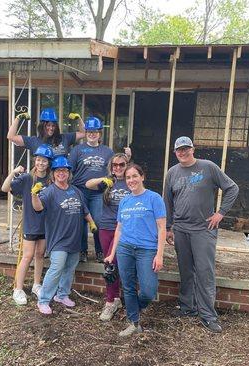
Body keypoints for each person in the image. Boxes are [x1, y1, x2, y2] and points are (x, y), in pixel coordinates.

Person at [164, 136, 239, 334]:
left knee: (205, 272)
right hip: (180, 229)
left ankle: (208, 315)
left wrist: (220, 213)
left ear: (193, 149)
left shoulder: (208, 167)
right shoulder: (172, 173)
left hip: (203, 230)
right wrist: (168, 227)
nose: (183, 153)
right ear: (175, 152)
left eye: (186, 149)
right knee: (186, 270)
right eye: (179, 150)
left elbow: (232, 188)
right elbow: (168, 202)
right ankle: (188, 307)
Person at [104, 164, 166, 337]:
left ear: (142, 177)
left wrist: (159, 254)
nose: (131, 180)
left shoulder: (154, 198)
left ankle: (134, 309)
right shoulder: (125, 201)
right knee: (129, 287)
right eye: (128, 177)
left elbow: (162, 228)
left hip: (147, 250)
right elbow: (119, 229)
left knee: (148, 290)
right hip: (125, 248)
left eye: (134, 176)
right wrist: (112, 253)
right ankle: (134, 323)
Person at [31, 155, 97, 315]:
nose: (62, 173)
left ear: (69, 173)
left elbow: (84, 210)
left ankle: (61, 295)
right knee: (57, 268)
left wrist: (92, 222)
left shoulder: (76, 191)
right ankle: (43, 300)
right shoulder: (49, 192)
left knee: (69, 268)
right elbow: (38, 208)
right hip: (58, 239)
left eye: (65, 170)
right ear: (53, 174)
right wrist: (34, 195)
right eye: (58, 171)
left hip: (74, 239)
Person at [69, 116, 130, 263]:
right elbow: (70, 170)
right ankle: (82, 251)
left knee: (97, 221)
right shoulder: (78, 150)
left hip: (99, 192)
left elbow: (117, 166)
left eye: (95, 131)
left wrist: (127, 157)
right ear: (86, 132)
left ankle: (100, 251)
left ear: (100, 133)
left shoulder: (107, 151)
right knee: (81, 222)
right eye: (89, 131)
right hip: (80, 191)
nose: (92, 134)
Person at [1, 144, 54, 305]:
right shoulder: (27, 178)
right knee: (27, 256)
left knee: (40, 255)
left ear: (48, 163)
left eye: (44, 161)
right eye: (38, 160)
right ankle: (18, 289)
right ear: (35, 161)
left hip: (46, 223)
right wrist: (13, 172)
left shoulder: (52, 180)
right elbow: (5, 188)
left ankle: (37, 285)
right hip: (31, 223)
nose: (41, 163)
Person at [85, 153, 131, 321]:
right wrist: (103, 180)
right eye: (115, 165)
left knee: (114, 263)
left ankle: (111, 300)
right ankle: (114, 299)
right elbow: (88, 184)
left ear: (127, 165)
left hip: (125, 229)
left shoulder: (130, 181)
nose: (118, 168)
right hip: (106, 227)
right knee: (109, 264)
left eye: (122, 164)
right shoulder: (107, 182)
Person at [7, 108, 85, 157]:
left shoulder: (64, 138)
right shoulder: (33, 141)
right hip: (41, 180)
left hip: (60, 178)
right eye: (48, 125)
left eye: (53, 126)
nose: (51, 128)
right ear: (42, 126)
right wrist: (18, 118)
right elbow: (11, 136)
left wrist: (79, 119)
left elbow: (83, 133)